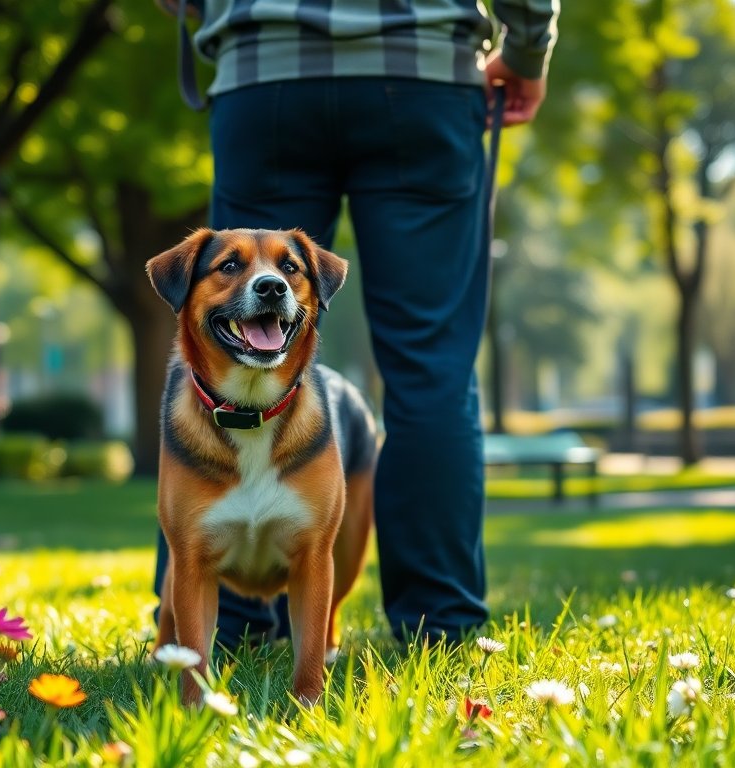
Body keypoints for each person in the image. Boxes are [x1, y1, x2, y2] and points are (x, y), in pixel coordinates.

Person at [153, 0, 558, 647]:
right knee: (433, 369)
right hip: (427, 72)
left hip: (265, 71)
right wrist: (528, 47)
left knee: (226, 337)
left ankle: (224, 631)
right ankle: (441, 623)